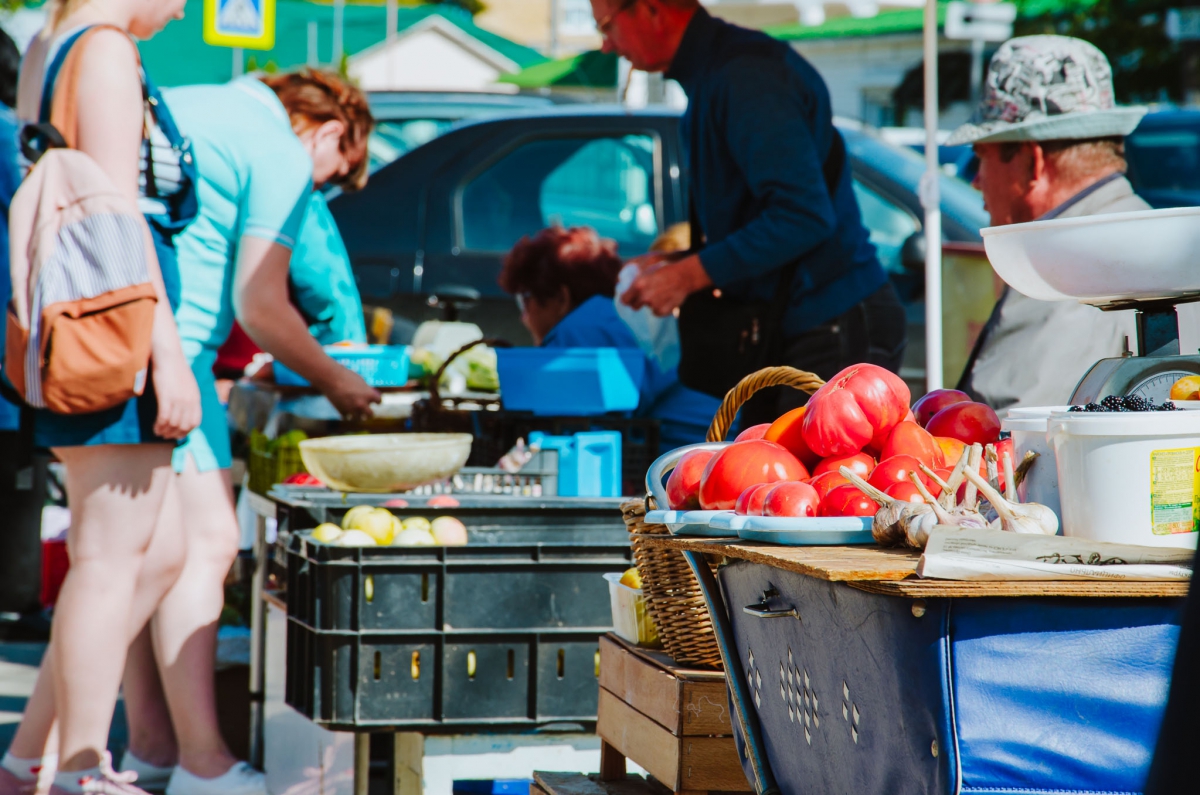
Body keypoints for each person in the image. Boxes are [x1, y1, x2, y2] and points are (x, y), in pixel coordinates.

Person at [103, 69, 380, 795]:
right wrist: (337, 379)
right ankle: (200, 760)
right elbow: (260, 302)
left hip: (118, 342)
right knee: (208, 546)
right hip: (175, 356)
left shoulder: (198, 103)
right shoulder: (279, 149)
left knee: (141, 556)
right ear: (329, 132)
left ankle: (151, 745)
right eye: (335, 174)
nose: (318, 193)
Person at [0, 2, 201, 794]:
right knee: (111, 559)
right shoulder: (106, 49)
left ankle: (25, 759)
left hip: (77, 319)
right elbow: (119, 222)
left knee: (156, 552)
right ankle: (84, 764)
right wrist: (169, 355)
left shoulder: (48, 42)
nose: (184, 6)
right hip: (115, 324)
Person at [596, 0, 906, 424]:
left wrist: (688, 275)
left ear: (652, 10)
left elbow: (803, 215)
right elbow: (760, 215)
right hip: (799, 323)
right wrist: (677, 264)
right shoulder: (720, 74)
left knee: (805, 482)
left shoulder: (745, 77)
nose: (605, 46)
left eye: (607, 25)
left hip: (832, 318)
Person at [950, 36, 1149, 409]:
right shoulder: (1142, 229)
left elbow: (1008, 442)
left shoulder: (1062, 268)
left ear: (1034, 162)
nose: (976, 180)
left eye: (981, 157)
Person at [499, 225, 720, 450]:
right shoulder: (611, 315)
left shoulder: (580, 330)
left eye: (525, 299)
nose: (523, 316)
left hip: (690, 455)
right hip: (714, 440)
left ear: (561, 298)